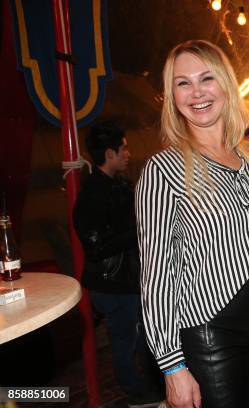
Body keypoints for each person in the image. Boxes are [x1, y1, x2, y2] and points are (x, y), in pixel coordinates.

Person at [135, 40, 249, 408]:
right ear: (172, 95)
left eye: (206, 78)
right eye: (182, 83)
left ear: (226, 86)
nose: (196, 92)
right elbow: (157, 275)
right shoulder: (163, 171)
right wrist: (172, 368)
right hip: (213, 332)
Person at [73, 121, 164, 407]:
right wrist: (139, 233)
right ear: (109, 153)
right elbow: (96, 245)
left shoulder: (119, 185)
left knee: (139, 336)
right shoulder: (92, 195)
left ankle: (146, 384)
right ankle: (135, 392)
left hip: (128, 279)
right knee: (126, 340)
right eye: (123, 149)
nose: (128, 154)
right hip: (113, 284)